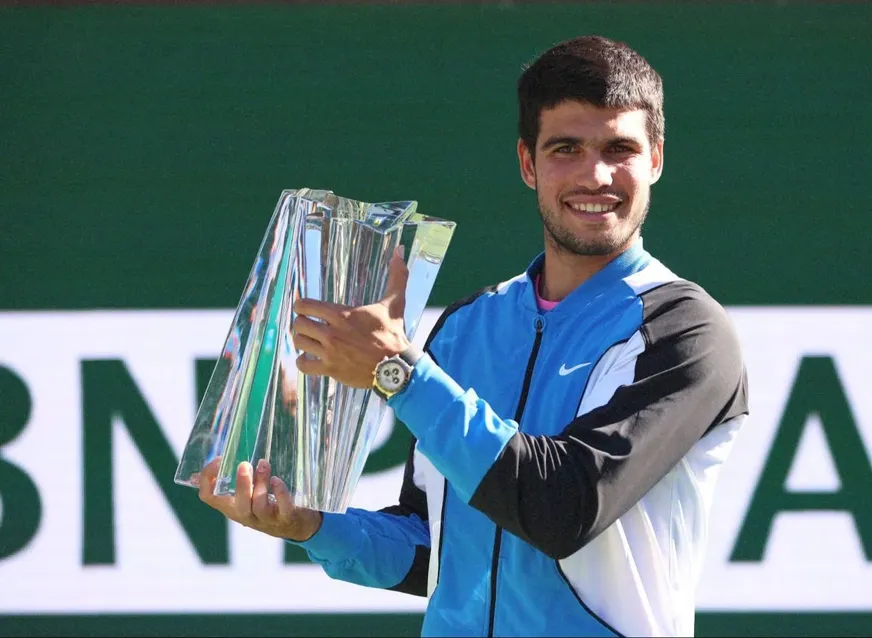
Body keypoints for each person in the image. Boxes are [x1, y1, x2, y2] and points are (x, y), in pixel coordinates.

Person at [197, 35, 749, 637]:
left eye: (620, 148)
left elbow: (562, 508)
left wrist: (398, 374)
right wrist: (313, 525)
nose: (596, 175)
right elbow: (434, 546)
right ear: (527, 163)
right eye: (566, 148)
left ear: (656, 161)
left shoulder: (686, 331)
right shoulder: (466, 327)